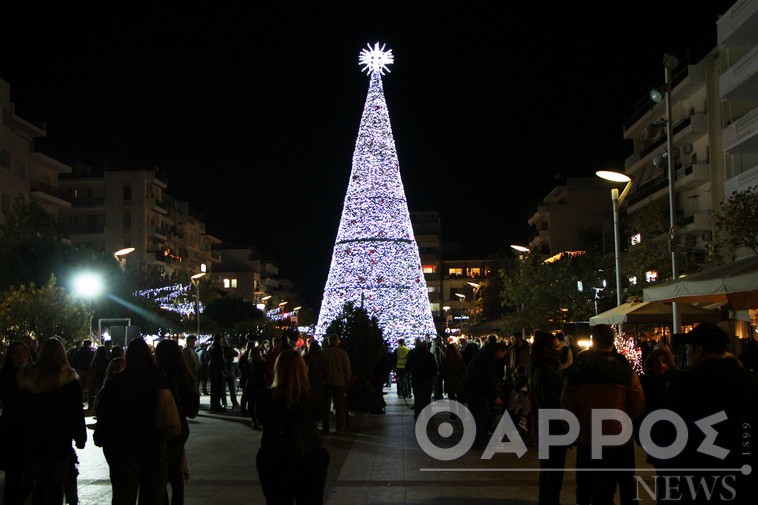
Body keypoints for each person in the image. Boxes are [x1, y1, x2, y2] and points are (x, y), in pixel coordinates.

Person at [657, 323, 758, 504]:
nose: (686, 353)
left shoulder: (689, 383)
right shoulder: (745, 379)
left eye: (688, 348)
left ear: (699, 350)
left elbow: (672, 433)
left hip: (698, 476)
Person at [561, 324, 645, 505]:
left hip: (589, 436)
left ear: (594, 340)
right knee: (626, 485)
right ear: (612, 341)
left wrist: (574, 428)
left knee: (593, 487)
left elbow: (567, 405)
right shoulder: (625, 370)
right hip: (619, 435)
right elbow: (637, 404)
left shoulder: (578, 371)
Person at [95, 337, 170, 505]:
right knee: (152, 495)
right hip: (154, 441)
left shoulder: (118, 381)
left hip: (126, 444)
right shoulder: (158, 377)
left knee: (124, 494)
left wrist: (101, 436)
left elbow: (107, 412)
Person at [17, 337, 87, 505]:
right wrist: (80, 437)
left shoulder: (28, 377)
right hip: (59, 439)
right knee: (57, 483)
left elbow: (22, 412)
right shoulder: (69, 379)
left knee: (39, 482)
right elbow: (75, 412)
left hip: (35, 438)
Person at [255, 349, 330, 504]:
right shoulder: (312, 397)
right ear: (305, 369)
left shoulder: (266, 396)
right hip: (309, 455)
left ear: (277, 370)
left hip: (274, 456)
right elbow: (317, 416)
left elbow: (261, 419)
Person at [155, 339, 198, 505]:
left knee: (160, 473)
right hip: (178, 428)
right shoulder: (184, 376)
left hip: (159, 428)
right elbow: (192, 411)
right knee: (176, 473)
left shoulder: (156, 376)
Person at [529, 330, 567, 505]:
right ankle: (550, 499)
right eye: (556, 346)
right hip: (552, 421)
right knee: (553, 465)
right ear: (546, 349)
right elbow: (550, 397)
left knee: (549, 465)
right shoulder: (545, 369)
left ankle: (548, 498)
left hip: (549, 420)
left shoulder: (546, 366)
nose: (559, 349)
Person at [0, 341, 34, 505]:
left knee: (29, 475)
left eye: (23, 352)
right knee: (13, 475)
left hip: (31, 430)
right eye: (17, 353)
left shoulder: (34, 373)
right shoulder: (6, 375)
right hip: (12, 430)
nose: (21, 356)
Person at [462, 341, 508, 448]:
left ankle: (477, 439)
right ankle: (477, 441)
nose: (503, 356)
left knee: (477, 414)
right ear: (499, 351)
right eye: (504, 353)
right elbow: (487, 379)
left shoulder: (484, 354)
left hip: (470, 386)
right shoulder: (489, 359)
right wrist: (494, 397)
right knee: (481, 414)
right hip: (475, 389)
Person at [321, 334, 351, 434]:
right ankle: (339, 427)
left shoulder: (324, 353)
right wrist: (346, 382)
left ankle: (326, 428)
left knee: (326, 406)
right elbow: (347, 370)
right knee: (339, 406)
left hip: (327, 383)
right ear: (337, 341)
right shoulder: (343, 353)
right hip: (339, 383)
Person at [405, 338, 438, 420]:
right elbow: (434, 368)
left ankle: (417, 414)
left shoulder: (413, 355)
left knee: (417, 398)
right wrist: (432, 376)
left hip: (417, 378)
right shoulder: (429, 355)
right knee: (427, 399)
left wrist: (413, 371)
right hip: (427, 379)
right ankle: (428, 415)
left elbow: (408, 366)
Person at [303, 340, 330, 427]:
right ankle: (325, 426)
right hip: (320, 385)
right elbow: (327, 373)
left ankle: (311, 425)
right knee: (323, 406)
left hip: (309, 385)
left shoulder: (305, 358)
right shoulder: (323, 359)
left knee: (310, 407)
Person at [206, 335, 227, 412]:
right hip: (217, 369)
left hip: (211, 368)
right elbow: (221, 359)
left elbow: (206, 357)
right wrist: (224, 369)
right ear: (219, 339)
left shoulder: (210, 347)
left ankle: (213, 404)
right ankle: (217, 405)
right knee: (218, 388)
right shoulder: (218, 347)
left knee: (213, 387)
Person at [430, 336, 445, 400]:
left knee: (436, 383)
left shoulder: (432, 347)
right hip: (437, 368)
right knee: (438, 382)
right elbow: (437, 359)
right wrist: (439, 369)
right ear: (437, 340)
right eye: (441, 340)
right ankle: (438, 395)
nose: (442, 342)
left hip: (434, 368)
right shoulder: (437, 348)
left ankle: (437, 395)